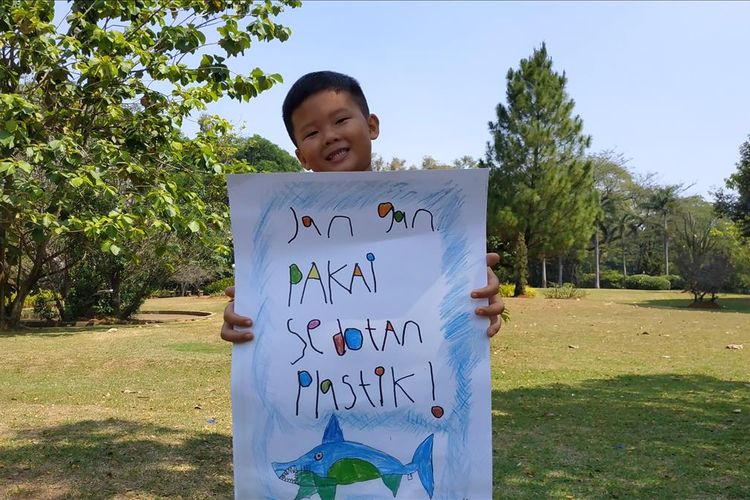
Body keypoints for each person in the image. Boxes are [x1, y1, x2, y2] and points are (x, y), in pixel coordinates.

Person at [220, 70, 504, 343]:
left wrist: (476, 286)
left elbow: (447, 292)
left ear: (372, 126)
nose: (329, 136)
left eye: (341, 119)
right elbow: (277, 306)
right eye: (311, 133)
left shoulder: (427, 215)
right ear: (301, 157)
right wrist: (247, 315)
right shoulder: (279, 233)